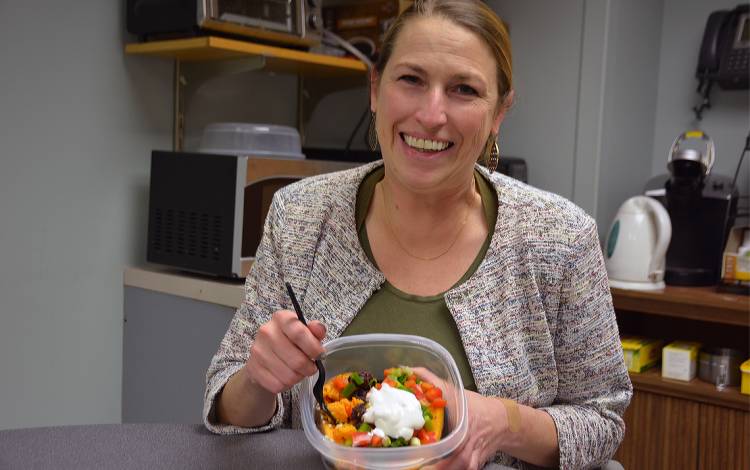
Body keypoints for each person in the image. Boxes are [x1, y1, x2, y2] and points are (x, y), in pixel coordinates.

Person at [203, 1, 632, 468]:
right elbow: (227, 409)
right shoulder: (301, 217)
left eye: (464, 89)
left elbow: (602, 421)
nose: (431, 115)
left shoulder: (561, 238)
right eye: (410, 79)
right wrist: (258, 379)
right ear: (375, 89)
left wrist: (499, 422)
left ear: (499, 114)